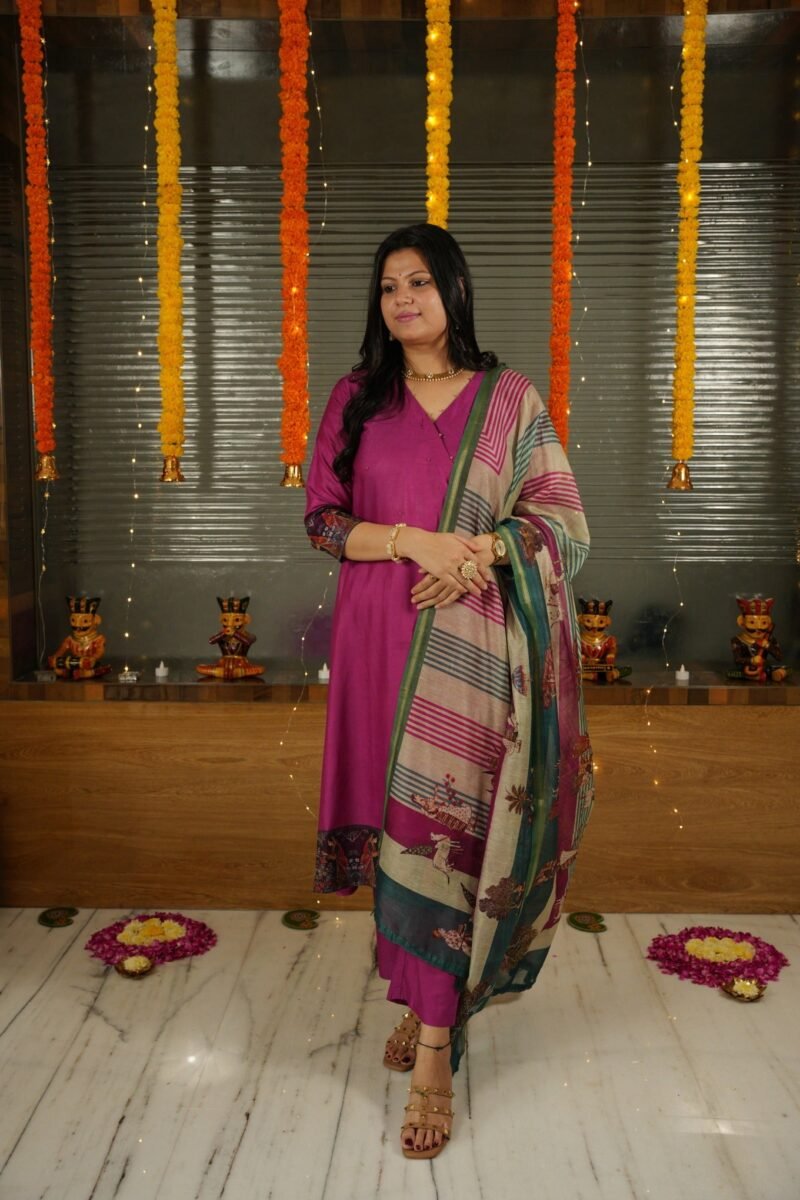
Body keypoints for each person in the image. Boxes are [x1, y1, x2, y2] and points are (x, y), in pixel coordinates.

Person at [304, 222, 594, 1160]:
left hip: (473, 648)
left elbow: (563, 523)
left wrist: (479, 552)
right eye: (389, 285)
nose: (403, 299)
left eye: (420, 282)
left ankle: (435, 1047)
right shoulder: (357, 397)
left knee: (454, 826)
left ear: (454, 291)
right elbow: (323, 522)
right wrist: (413, 543)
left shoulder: (509, 399)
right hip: (378, 637)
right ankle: (424, 1001)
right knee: (402, 821)